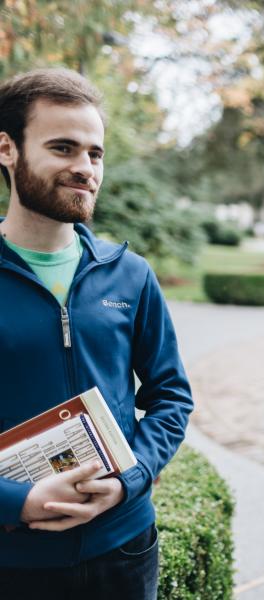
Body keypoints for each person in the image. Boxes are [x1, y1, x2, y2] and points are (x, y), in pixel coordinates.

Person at [0, 68, 193, 599]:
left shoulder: (130, 274)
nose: (84, 168)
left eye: (95, 153)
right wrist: (16, 502)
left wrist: (128, 483)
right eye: (63, 148)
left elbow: (171, 396)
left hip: (125, 548)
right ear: (7, 149)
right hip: (12, 560)